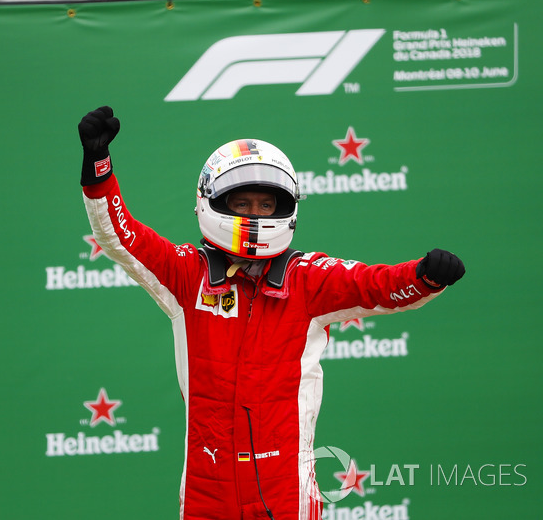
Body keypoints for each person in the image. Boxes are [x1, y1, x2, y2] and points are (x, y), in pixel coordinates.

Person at [78, 106, 465, 520]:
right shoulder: (187, 275)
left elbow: (377, 284)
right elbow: (120, 235)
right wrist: (99, 168)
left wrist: (425, 276)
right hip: (207, 495)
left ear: (286, 208)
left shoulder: (308, 280)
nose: (255, 214)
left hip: (286, 494)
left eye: (266, 204)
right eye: (242, 203)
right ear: (210, 202)